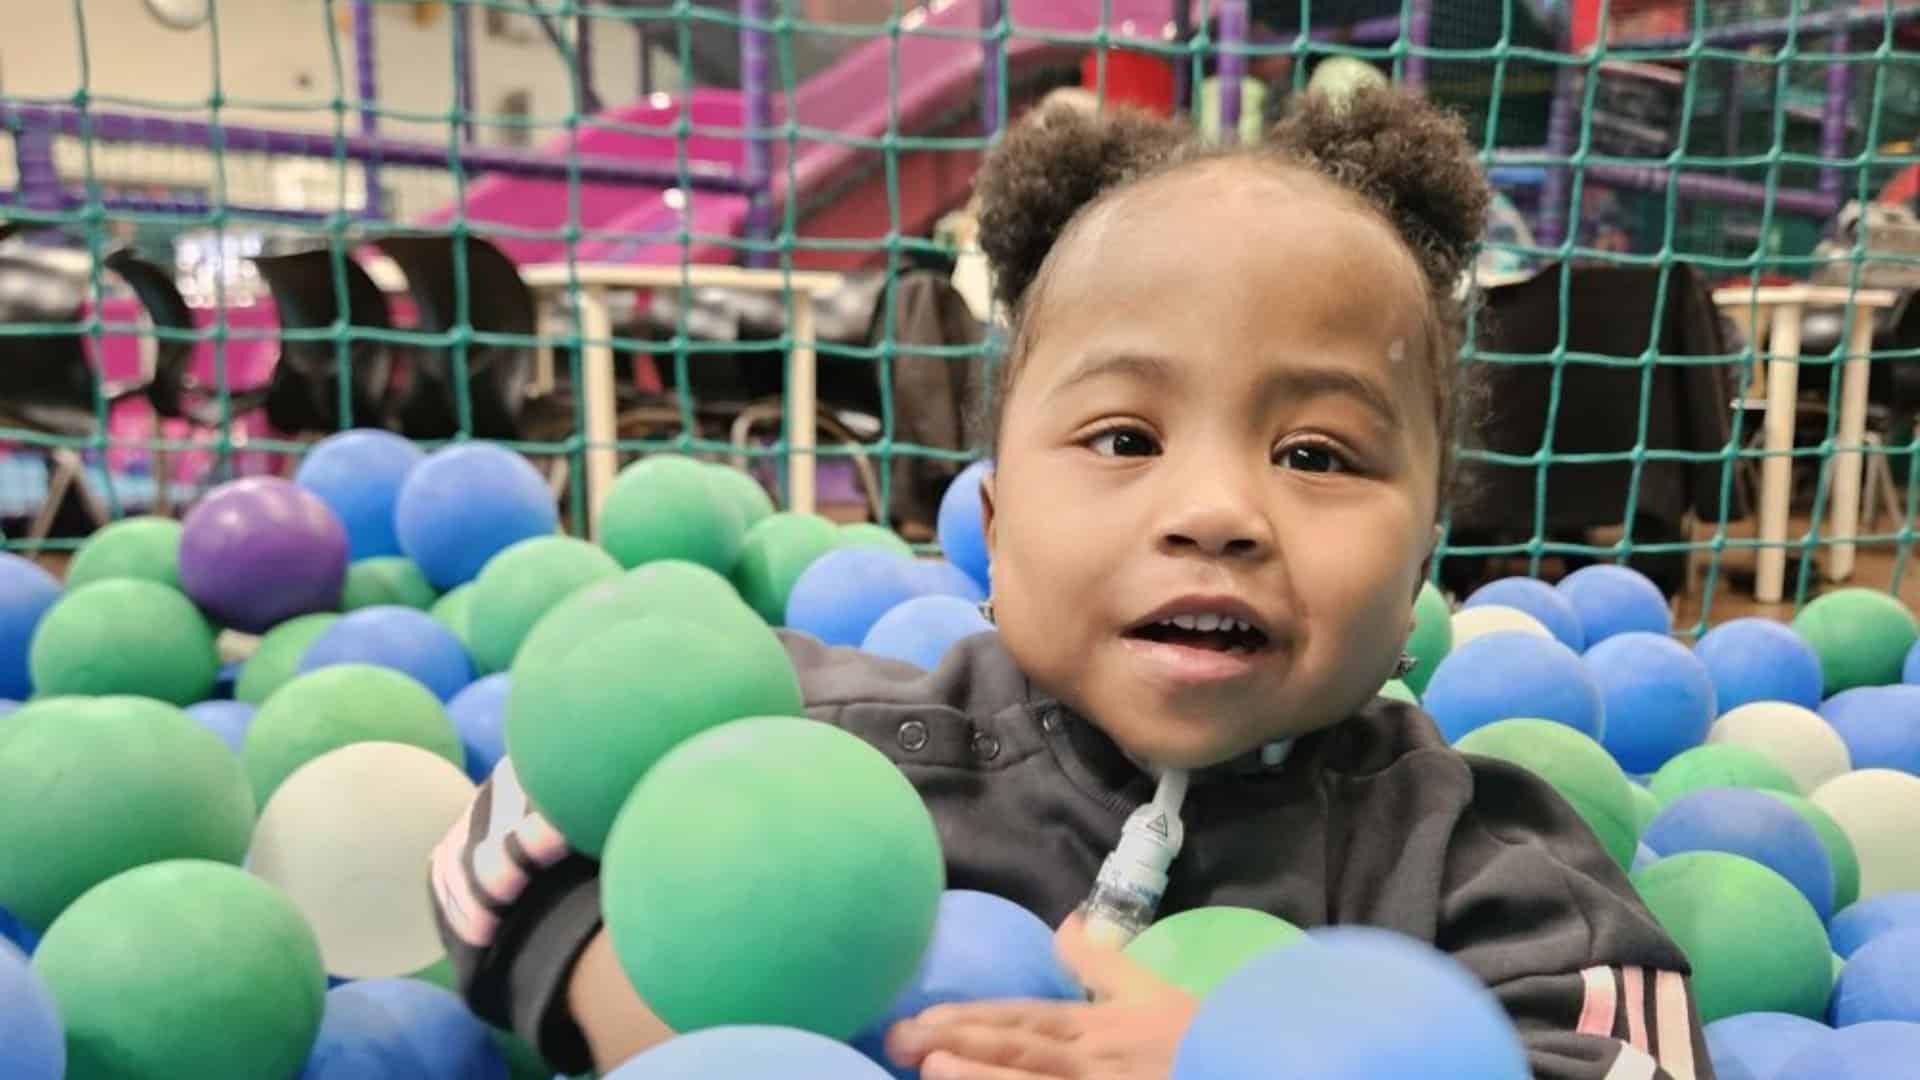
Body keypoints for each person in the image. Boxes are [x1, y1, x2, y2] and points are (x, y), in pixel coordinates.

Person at [430, 87, 1713, 1080]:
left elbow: (1630, 1057)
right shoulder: (858, 750)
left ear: (1423, 560)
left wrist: (1249, 1058)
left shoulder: (1476, 858)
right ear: (995, 530)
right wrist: (673, 1008)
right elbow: (536, 808)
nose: (1216, 512)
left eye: (1315, 455)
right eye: (1126, 437)